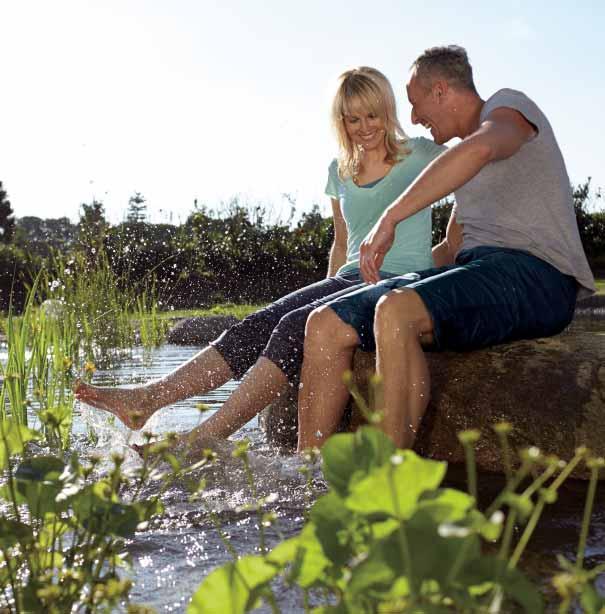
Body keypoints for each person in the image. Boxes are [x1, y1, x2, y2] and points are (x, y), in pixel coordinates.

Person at [75, 66, 445, 451]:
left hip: (399, 283)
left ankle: (202, 438)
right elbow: (341, 242)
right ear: (341, 121)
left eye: (373, 115)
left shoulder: (420, 155)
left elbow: (476, 166)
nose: (365, 127)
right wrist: (324, 295)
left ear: (389, 111)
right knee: (260, 322)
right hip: (348, 280)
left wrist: (455, 251)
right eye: (353, 119)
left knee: (291, 327)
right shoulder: (340, 170)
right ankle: (147, 398)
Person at [297, 45, 595, 452]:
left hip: (539, 276)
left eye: (417, 105)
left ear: (440, 91)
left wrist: (391, 218)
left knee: (395, 310)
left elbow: (484, 146)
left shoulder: (507, 109)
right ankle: (307, 472)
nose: (415, 119)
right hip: (481, 271)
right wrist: (387, 278)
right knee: (324, 323)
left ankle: (387, 482)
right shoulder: (465, 166)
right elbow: (452, 248)